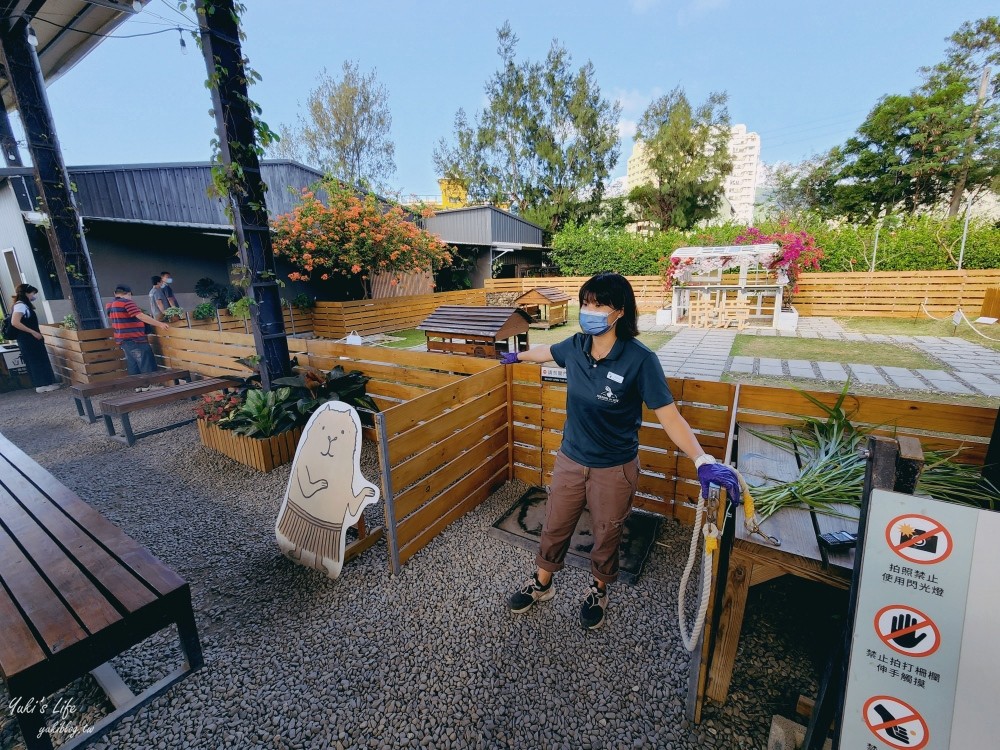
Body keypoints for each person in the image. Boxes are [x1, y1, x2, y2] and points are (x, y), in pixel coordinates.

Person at [500, 272, 741, 630]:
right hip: (571, 459)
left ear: (619, 312)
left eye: (598, 304)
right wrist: (516, 356)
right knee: (554, 525)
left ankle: (599, 590)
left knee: (607, 531)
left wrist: (701, 458)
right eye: (585, 303)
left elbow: (670, 417)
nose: (588, 310)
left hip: (614, 468)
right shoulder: (576, 346)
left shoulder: (640, 360)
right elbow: (546, 352)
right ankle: (542, 582)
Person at [107, 283, 168, 378]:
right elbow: (140, 316)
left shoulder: (110, 305)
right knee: (145, 361)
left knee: (133, 363)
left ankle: (139, 386)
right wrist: (160, 324)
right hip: (135, 338)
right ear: (129, 293)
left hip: (122, 339)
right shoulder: (126, 302)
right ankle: (150, 384)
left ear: (115, 293)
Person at [8, 283, 61, 393]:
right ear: (27, 293)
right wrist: (33, 332)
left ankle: (44, 383)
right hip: (28, 338)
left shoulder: (21, 305)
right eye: (33, 293)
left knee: (36, 359)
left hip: (27, 339)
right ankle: (43, 384)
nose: (34, 296)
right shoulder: (21, 305)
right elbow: (15, 322)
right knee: (36, 360)